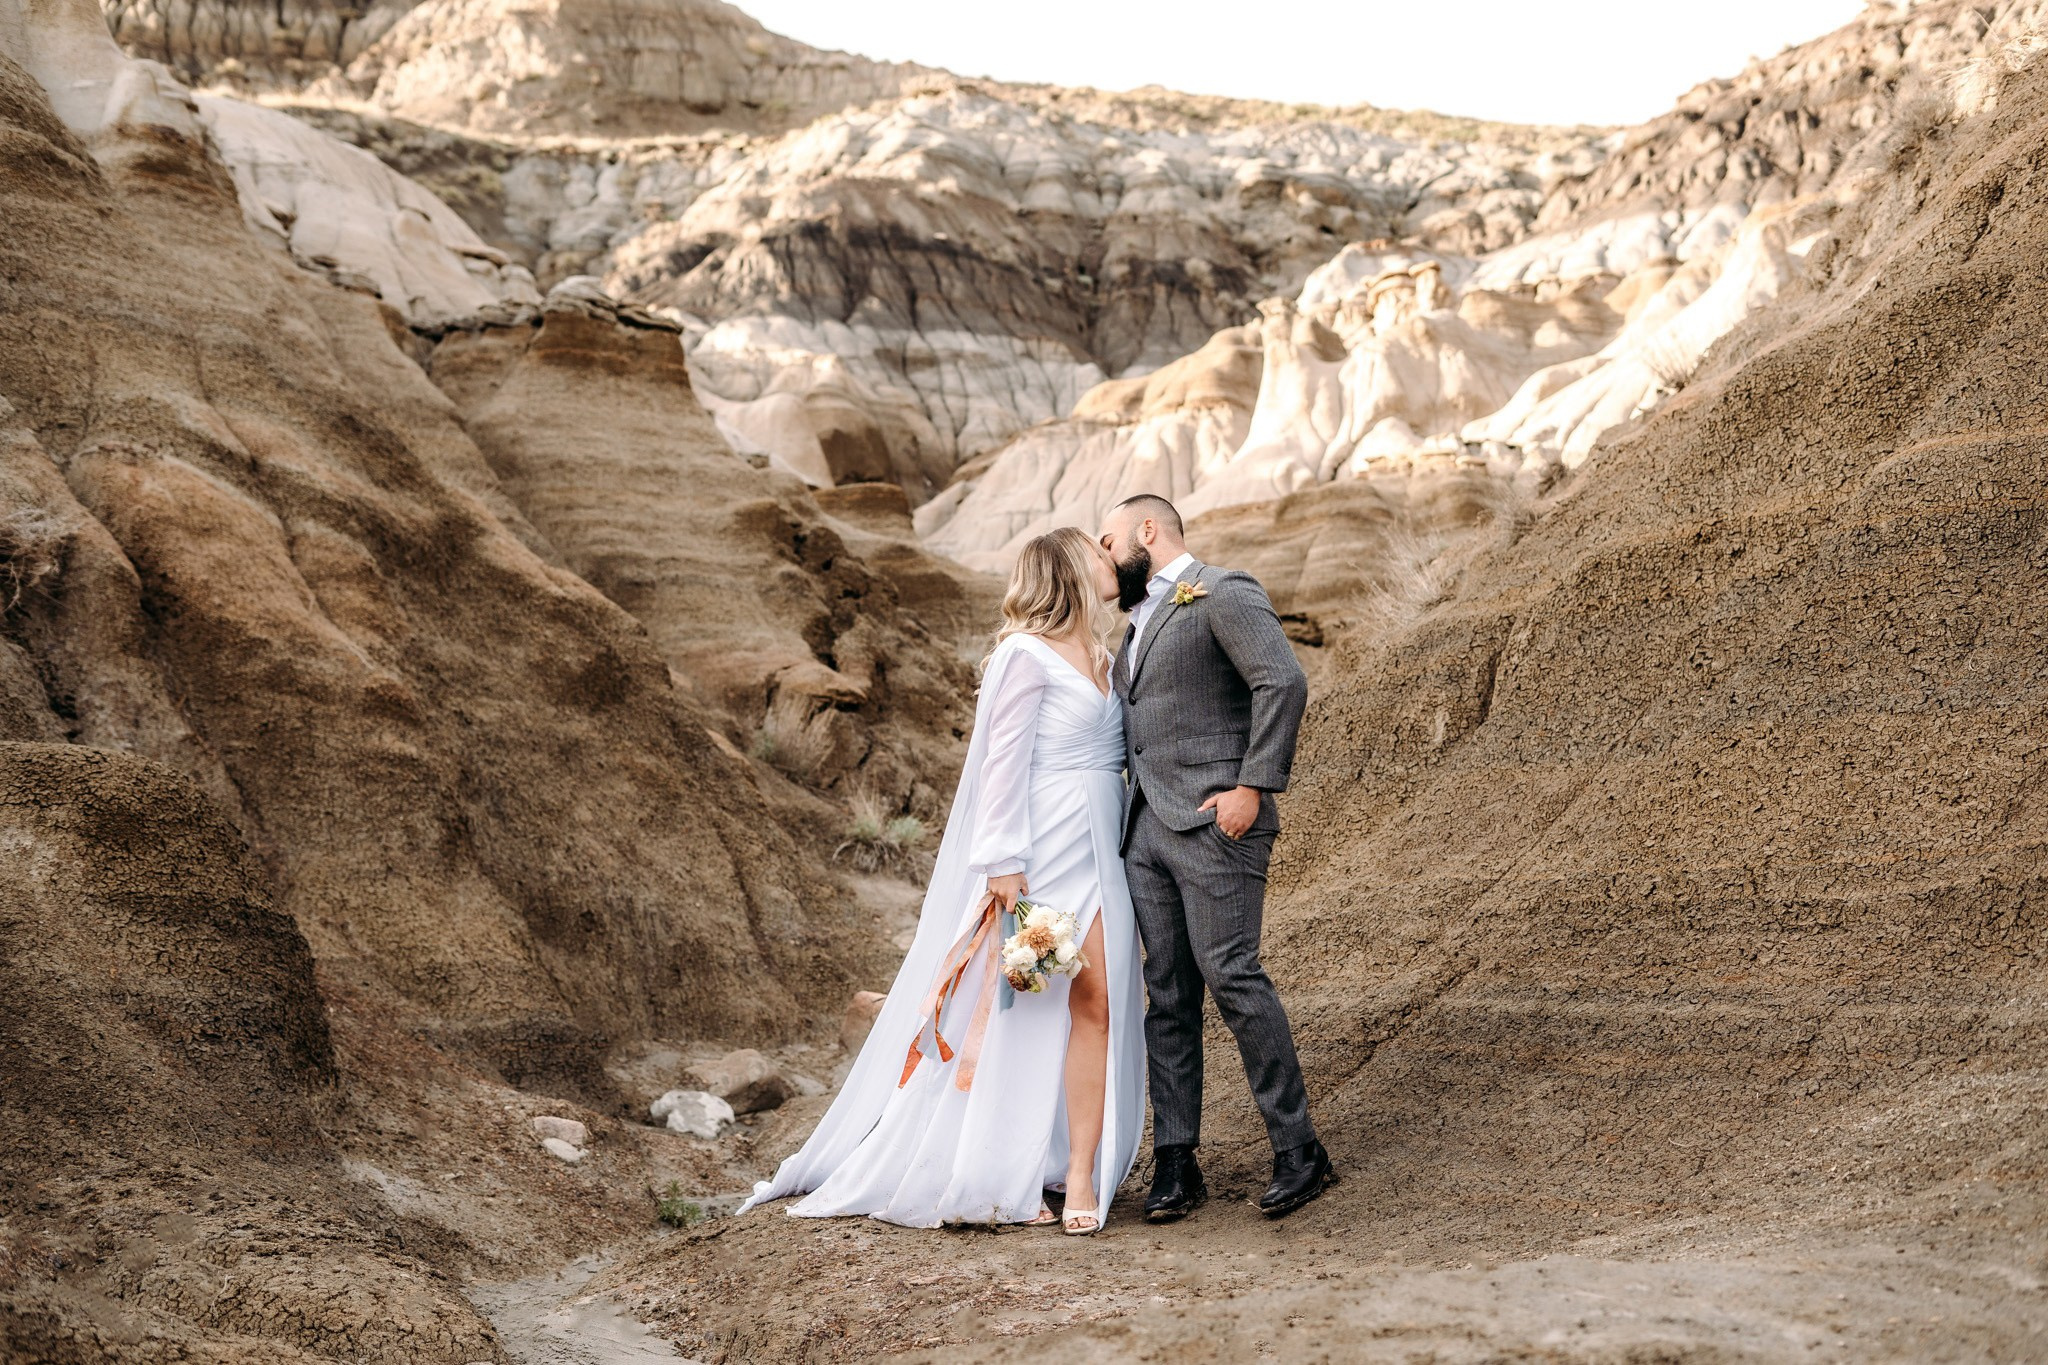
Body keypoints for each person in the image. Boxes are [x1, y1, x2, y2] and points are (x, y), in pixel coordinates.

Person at [738, 527, 1142, 1234]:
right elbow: (1000, 764)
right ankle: (996, 1165)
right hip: (1042, 855)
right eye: (1095, 551)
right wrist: (1003, 863)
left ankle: (1079, 1168)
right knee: (1019, 1009)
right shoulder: (1024, 654)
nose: (1110, 560)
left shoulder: (1109, 657)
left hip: (1103, 852)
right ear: (1066, 570)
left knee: (1098, 1003)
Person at [1097, 493, 1333, 1219]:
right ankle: (1177, 1162)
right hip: (1145, 832)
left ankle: (1300, 1150)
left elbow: (1282, 681)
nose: (1103, 557)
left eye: (1107, 541)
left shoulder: (1221, 590)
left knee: (1232, 974)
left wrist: (1252, 786)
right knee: (1167, 993)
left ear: (1147, 530)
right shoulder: (1134, 628)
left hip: (1217, 823)